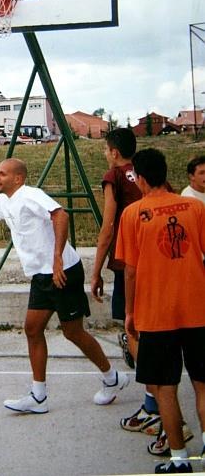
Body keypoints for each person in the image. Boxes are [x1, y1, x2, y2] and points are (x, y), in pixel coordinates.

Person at [0, 157, 129, 414]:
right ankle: (38, 396)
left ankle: (112, 378)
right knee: (32, 329)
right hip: (41, 277)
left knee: (72, 332)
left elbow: (60, 215)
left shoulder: (31, 195)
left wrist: (58, 256)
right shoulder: (5, 202)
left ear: (18, 178)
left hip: (63, 272)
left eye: (2, 174)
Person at [115, 148, 205, 474]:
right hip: (199, 308)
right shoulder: (195, 207)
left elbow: (131, 271)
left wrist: (129, 312)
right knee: (202, 384)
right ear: (166, 173)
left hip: (156, 314)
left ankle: (180, 459)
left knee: (165, 388)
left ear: (139, 178)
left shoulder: (133, 214)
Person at [91, 129, 163, 436]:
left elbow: (108, 227)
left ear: (114, 152)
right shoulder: (150, 173)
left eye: (107, 150)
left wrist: (96, 271)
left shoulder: (114, 176)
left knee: (134, 328)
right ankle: (155, 399)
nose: (106, 154)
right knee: (154, 331)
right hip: (161, 262)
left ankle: (153, 405)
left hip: (131, 262)